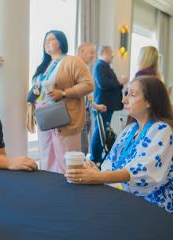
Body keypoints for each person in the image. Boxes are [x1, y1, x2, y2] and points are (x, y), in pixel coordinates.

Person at [65, 76, 173, 213]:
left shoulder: (162, 130)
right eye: (126, 93)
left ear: (149, 102)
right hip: (126, 199)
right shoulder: (130, 130)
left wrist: (98, 177)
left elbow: (145, 173)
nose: (124, 100)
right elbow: (111, 165)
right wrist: (95, 170)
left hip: (153, 209)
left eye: (132, 94)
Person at [27, 30, 94, 174]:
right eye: (45, 40)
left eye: (51, 39)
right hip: (45, 117)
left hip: (64, 118)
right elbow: (38, 91)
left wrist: (63, 93)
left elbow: (88, 84)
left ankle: (70, 189)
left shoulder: (72, 61)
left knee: (66, 159)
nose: (47, 42)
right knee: (46, 157)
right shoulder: (43, 66)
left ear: (62, 42)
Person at [90, 46, 128, 163]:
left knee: (104, 131)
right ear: (105, 53)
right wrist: (119, 82)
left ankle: (98, 157)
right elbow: (103, 83)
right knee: (99, 132)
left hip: (107, 105)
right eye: (111, 54)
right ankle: (94, 158)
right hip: (102, 104)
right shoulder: (100, 66)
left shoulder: (104, 66)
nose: (112, 56)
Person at [77, 43, 107, 155]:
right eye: (91, 53)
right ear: (81, 51)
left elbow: (85, 95)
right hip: (79, 114)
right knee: (82, 149)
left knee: (84, 147)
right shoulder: (76, 68)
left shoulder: (85, 68)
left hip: (87, 113)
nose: (93, 56)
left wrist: (95, 106)